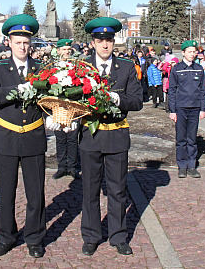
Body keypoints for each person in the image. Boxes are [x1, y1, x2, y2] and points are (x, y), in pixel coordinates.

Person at [0, 14, 46, 259]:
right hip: (7, 136)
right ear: (8, 42)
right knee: (6, 192)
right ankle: (6, 237)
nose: (22, 47)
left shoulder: (42, 70)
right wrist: (15, 91)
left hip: (33, 136)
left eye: (26, 43)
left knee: (35, 193)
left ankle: (35, 238)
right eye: (18, 42)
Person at [80, 17, 143, 256]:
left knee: (118, 189)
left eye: (109, 40)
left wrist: (118, 99)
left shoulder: (126, 67)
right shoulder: (82, 67)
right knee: (90, 188)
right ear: (93, 43)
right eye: (100, 40)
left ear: (114, 42)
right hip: (90, 136)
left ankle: (118, 236)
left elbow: (137, 100)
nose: (105, 45)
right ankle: (91, 235)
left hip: (117, 135)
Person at [168, 40, 205, 179]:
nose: (192, 54)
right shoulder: (177, 68)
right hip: (180, 107)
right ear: (183, 53)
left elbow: (203, 90)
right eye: (189, 51)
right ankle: (182, 166)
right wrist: (172, 110)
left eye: (194, 51)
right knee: (181, 138)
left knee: (192, 138)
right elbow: (171, 90)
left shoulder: (199, 68)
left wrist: (203, 108)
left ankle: (191, 165)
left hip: (195, 107)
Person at [52, 38, 80, 180]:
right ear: (58, 51)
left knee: (73, 138)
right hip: (58, 107)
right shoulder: (53, 66)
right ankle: (62, 166)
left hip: (73, 107)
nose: (66, 52)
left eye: (68, 50)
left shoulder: (76, 67)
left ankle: (73, 167)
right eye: (64, 50)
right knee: (61, 138)